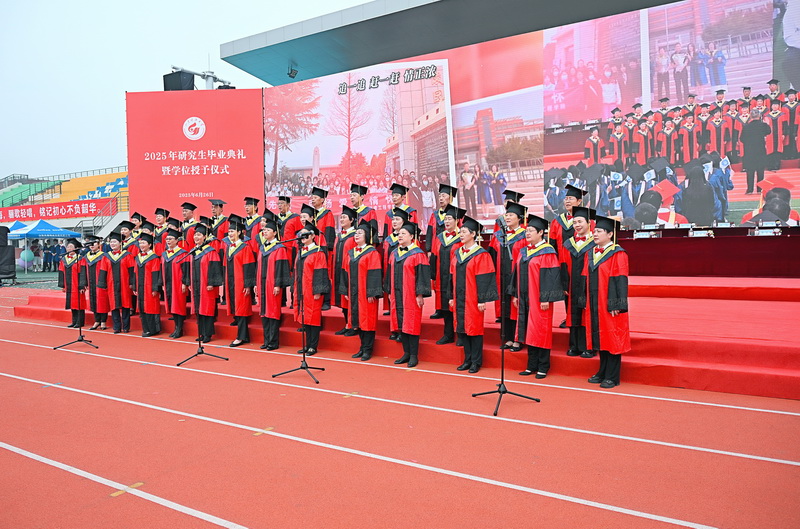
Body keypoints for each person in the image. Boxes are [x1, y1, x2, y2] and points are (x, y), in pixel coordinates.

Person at [510, 214, 564, 378]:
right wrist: (515, 294)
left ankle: (543, 366)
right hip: (524, 298)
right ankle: (531, 365)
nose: (527, 233)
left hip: (540, 299)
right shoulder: (524, 251)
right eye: (527, 230)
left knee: (541, 330)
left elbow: (551, 276)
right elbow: (516, 273)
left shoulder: (547, 252)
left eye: (531, 230)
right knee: (528, 330)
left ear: (541, 233)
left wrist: (546, 298)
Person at [584, 215, 631, 388]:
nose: (595, 234)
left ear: (610, 234)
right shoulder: (591, 253)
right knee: (601, 336)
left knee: (612, 337)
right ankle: (602, 371)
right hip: (595, 303)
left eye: (599, 231)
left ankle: (612, 376)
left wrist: (616, 304)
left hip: (609, 304)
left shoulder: (618, 253)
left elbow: (620, 279)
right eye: (594, 231)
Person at [448, 215, 498, 373]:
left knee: (474, 329)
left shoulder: (481, 254)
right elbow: (451, 276)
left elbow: (484, 278)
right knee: (462, 329)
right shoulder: (457, 253)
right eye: (460, 232)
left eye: (464, 232)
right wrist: (451, 296)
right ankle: (467, 359)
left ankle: (476, 361)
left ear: (474, 234)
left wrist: (482, 299)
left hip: (473, 299)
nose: (461, 234)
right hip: (459, 298)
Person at [384, 223, 431, 368]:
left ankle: (414, 355)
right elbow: (389, 274)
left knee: (411, 323)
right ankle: (406, 353)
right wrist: (389, 291)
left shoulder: (418, 254)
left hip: (411, 295)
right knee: (401, 322)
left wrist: (420, 294)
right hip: (397, 294)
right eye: (399, 234)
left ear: (411, 236)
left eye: (403, 233)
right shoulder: (394, 253)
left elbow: (422, 276)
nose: (400, 236)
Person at [341, 221, 383, 362]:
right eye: (356, 233)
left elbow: (375, 273)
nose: (356, 235)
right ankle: (362, 347)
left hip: (366, 294)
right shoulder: (351, 253)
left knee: (367, 320)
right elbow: (345, 271)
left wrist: (372, 292)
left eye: (360, 233)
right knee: (357, 320)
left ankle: (368, 349)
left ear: (367, 236)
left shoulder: (372, 253)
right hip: (354, 292)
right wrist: (346, 290)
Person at [488, 201, 528, 351]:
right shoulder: (499, 235)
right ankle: (508, 338)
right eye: (507, 215)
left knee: (516, 306)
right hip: (501, 277)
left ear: (519, 218)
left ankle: (518, 339)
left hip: (517, 277)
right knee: (505, 306)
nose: (508, 217)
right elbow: (492, 255)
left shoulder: (525, 235)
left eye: (511, 215)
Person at [560, 206, 596, 358]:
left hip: (588, 284)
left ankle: (589, 346)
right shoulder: (569, 243)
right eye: (574, 222)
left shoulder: (595, 242)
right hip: (572, 284)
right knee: (573, 312)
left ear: (589, 223)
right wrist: (564, 283)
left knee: (587, 314)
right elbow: (563, 263)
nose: (577, 225)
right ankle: (574, 345)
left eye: (580, 222)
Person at [429, 204, 465, 345]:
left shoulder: (462, 237)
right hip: (442, 278)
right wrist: (433, 276)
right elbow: (434, 256)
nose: (447, 221)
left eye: (450, 219)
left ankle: (461, 335)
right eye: (446, 219)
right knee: (445, 306)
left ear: (457, 221)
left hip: (457, 278)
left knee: (458, 306)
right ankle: (448, 334)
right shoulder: (439, 237)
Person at [255, 215, 292, 350]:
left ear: (275, 233)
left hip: (272, 285)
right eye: (264, 230)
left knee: (273, 311)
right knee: (264, 312)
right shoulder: (262, 248)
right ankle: (266, 340)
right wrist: (256, 284)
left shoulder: (279, 248)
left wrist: (278, 284)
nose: (264, 232)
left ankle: (273, 341)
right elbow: (258, 267)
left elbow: (281, 268)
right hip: (262, 284)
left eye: (268, 230)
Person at [293, 223, 330, 356]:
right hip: (301, 289)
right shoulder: (300, 251)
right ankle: (307, 344)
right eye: (301, 234)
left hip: (312, 290)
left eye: (305, 234)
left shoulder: (318, 252)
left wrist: (318, 291)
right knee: (305, 317)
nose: (302, 236)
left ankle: (313, 346)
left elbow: (321, 273)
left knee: (313, 317)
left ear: (313, 236)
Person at [186, 224, 224, 343]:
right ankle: (201, 332)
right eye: (195, 235)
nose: (196, 237)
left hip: (207, 286)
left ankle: (208, 334)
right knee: (199, 309)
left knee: (207, 309)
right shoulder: (193, 251)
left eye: (199, 235)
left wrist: (211, 283)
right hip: (196, 285)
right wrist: (190, 282)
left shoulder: (211, 252)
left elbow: (215, 268)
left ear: (205, 237)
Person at [425, 183, 457, 317]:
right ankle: (439, 308)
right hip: (437, 250)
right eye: (440, 196)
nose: (441, 198)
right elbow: (429, 232)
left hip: (452, 250)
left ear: (450, 197)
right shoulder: (435, 215)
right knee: (438, 278)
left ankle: (451, 306)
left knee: (450, 277)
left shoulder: (456, 214)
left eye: (444, 195)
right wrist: (429, 249)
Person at [224, 220, 257, 347]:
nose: (230, 233)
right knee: (236, 308)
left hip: (241, 283)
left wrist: (248, 285)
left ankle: (241, 337)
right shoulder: (229, 247)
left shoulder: (245, 247)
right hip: (231, 282)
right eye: (229, 231)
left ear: (239, 232)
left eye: (232, 231)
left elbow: (249, 267)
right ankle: (244, 336)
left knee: (242, 309)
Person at [97, 232, 134, 334]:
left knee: (126, 305)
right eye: (111, 242)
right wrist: (102, 283)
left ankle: (126, 327)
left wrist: (132, 283)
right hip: (111, 284)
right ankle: (117, 327)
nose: (112, 244)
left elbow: (131, 270)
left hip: (124, 284)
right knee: (114, 305)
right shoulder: (106, 256)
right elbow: (103, 271)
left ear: (120, 243)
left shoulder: (127, 255)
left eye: (114, 242)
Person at [333, 205, 358, 336]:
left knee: (350, 298)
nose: (341, 219)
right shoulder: (339, 235)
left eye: (344, 217)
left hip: (349, 272)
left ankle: (353, 325)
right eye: (341, 217)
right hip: (338, 271)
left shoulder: (355, 236)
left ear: (352, 220)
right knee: (343, 298)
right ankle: (347, 324)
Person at [131, 233, 162, 337]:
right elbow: (135, 272)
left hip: (149, 288)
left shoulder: (154, 258)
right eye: (140, 243)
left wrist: (155, 288)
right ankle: (146, 329)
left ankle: (153, 330)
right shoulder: (138, 257)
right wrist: (134, 286)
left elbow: (156, 273)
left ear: (149, 245)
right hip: (140, 287)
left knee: (151, 307)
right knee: (142, 308)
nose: (141, 245)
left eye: (144, 243)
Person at [161, 228, 190, 339]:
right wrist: (162, 284)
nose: (168, 241)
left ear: (177, 240)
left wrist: (184, 283)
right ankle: (176, 327)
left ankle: (179, 329)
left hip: (178, 284)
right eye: (167, 239)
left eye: (170, 239)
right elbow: (161, 270)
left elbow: (186, 270)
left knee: (179, 305)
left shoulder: (183, 254)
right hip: (168, 284)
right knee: (172, 305)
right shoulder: (164, 254)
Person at [58, 238, 87, 328]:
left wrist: (82, 285)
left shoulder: (80, 259)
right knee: (72, 303)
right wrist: (63, 285)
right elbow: (61, 272)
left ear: (76, 248)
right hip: (69, 285)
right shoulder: (64, 259)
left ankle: (80, 322)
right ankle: (74, 321)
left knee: (79, 303)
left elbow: (83, 272)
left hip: (77, 285)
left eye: (71, 247)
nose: (69, 248)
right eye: (68, 247)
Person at [739, 110, 771, 194]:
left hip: (749, 152)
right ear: (759, 116)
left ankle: (749, 189)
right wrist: (766, 123)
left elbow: (742, 139)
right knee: (760, 170)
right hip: (760, 151)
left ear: (751, 116)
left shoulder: (746, 126)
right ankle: (759, 189)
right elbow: (769, 131)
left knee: (750, 171)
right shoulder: (763, 125)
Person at [82, 236, 109, 330]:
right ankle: (97, 320)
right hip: (91, 282)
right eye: (90, 244)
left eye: (94, 243)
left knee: (102, 301)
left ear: (99, 244)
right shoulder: (86, 257)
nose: (92, 245)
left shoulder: (104, 256)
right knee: (93, 300)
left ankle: (103, 321)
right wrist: (85, 282)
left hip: (101, 282)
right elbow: (83, 271)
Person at [276, 195, 303, 267]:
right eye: (278, 203)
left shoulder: (296, 218)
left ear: (288, 205)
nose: (279, 205)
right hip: (278, 249)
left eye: (282, 203)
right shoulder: (275, 218)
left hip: (290, 249)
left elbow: (299, 234)